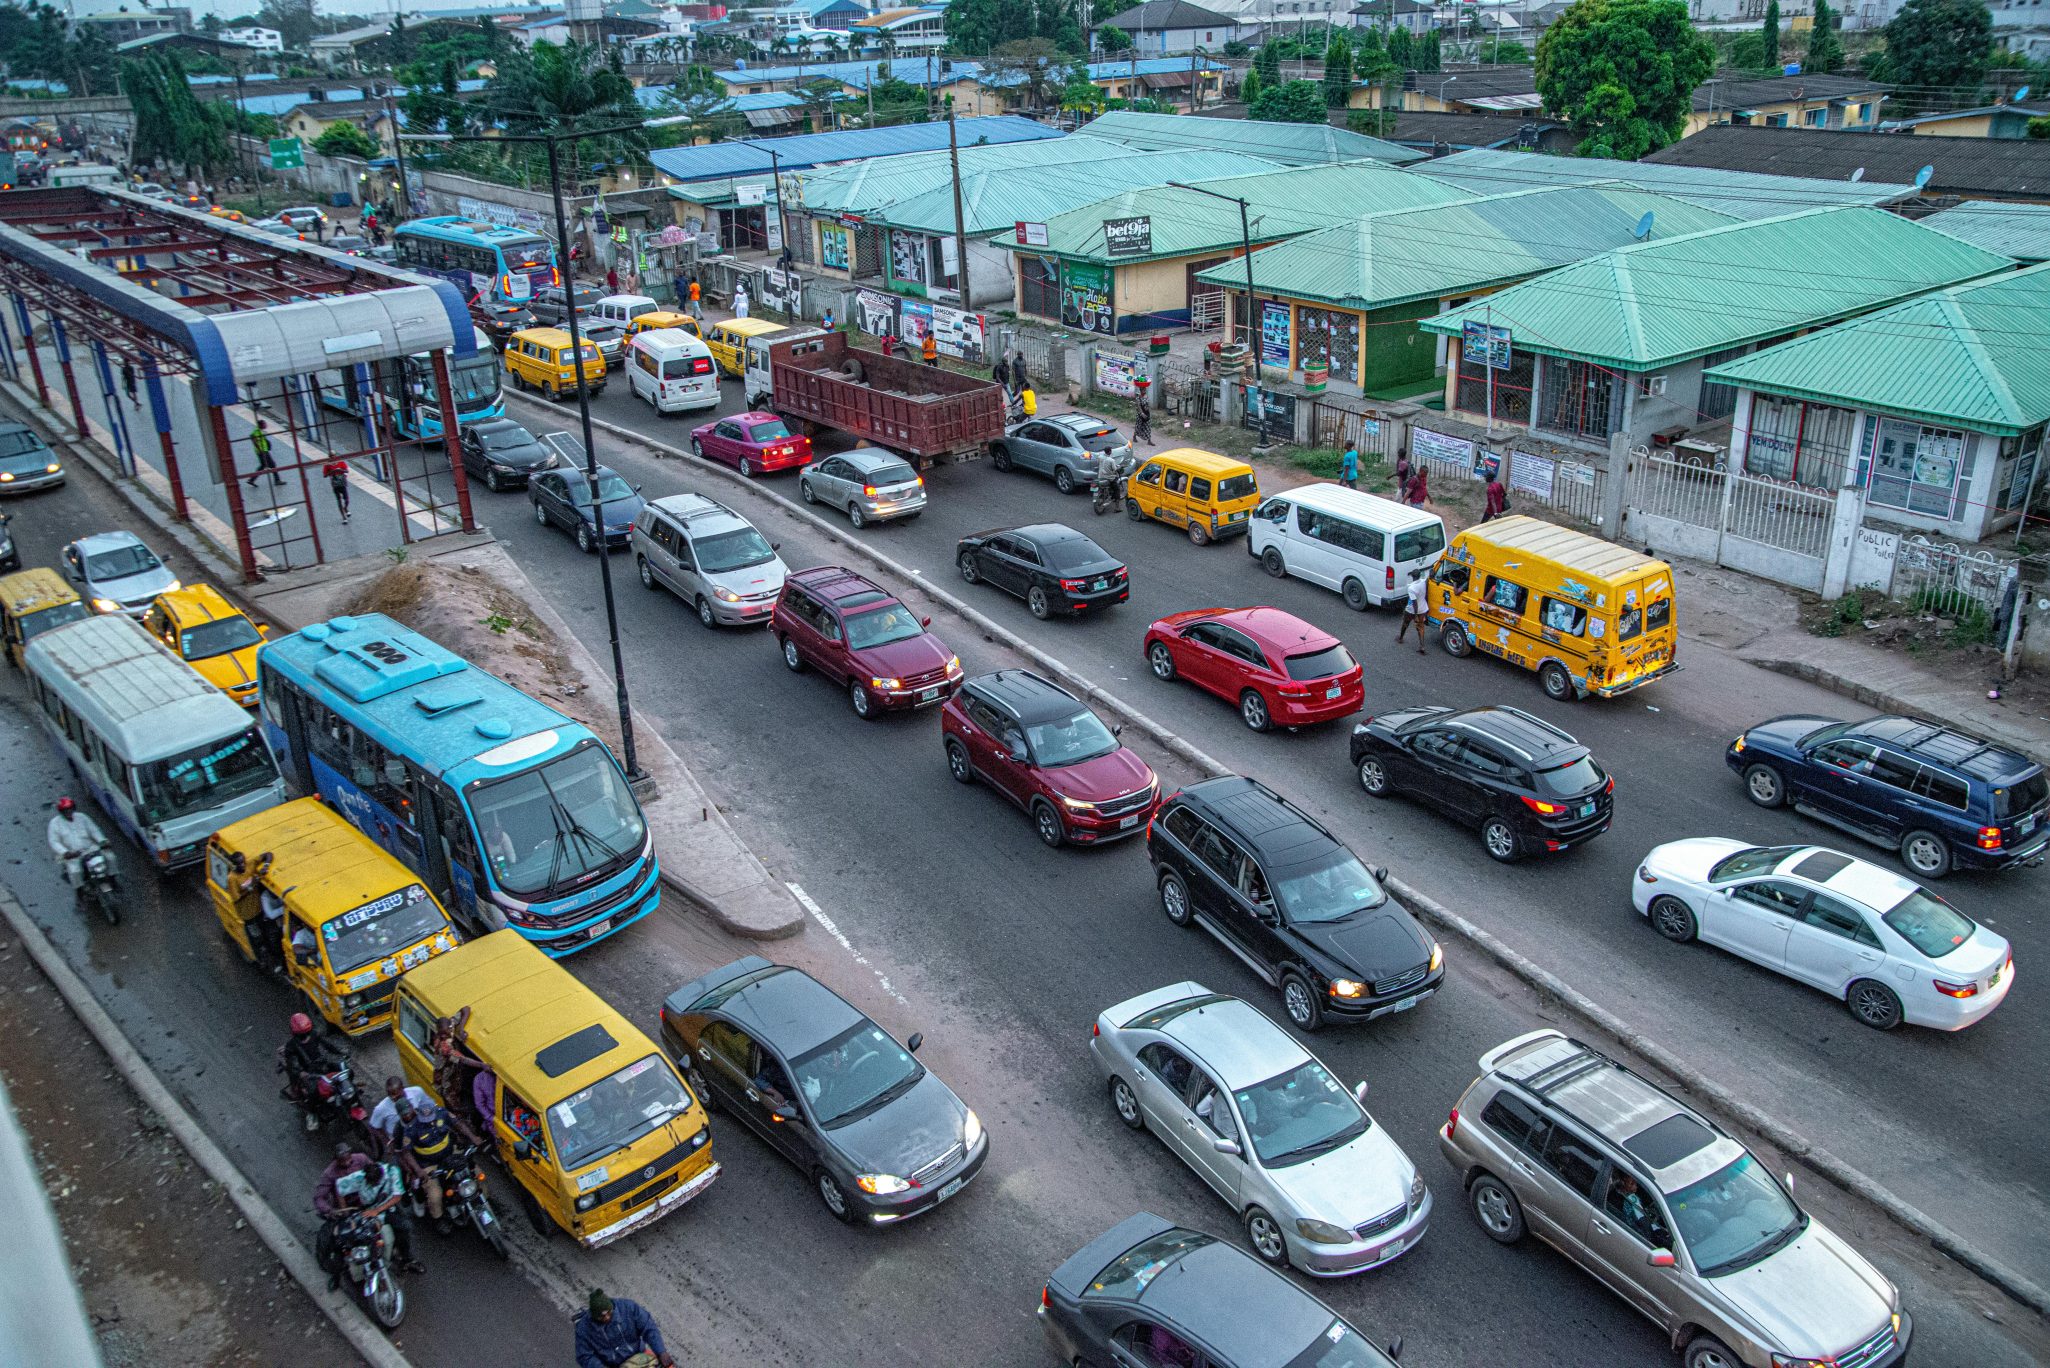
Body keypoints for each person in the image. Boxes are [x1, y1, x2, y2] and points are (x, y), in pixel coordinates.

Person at [325, 1152, 424, 1276]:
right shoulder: (359, 1177)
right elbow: (340, 1188)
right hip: (367, 1212)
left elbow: (397, 1196)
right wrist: (346, 1212)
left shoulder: (392, 1172)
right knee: (358, 1237)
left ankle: (407, 1260)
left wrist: (377, 1210)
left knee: (404, 1228)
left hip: (387, 1209)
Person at [574, 1289, 676, 1368]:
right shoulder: (584, 1329)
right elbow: (585, 1356)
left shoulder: (628, 1307)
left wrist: (661, 1351)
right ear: (593, 1316)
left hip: (639, 1355)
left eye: (609, 1313)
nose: (607, 1318)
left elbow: (648, 1327)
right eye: (601, 1317)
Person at [280, 1013, 339, 1125]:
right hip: (307, 1072)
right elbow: (293, 1063)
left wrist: (340, 1053)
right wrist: (301, 1072)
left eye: (307, 1033)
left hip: (320, 1065)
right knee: (313, 1092)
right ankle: (311, 1113)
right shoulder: (291, 1046)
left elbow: (327, 1045)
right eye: (302, 1035)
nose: (305, 1036)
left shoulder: (314, 1034)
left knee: (342, 1070)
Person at [47, 796, 108, 900]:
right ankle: (80, 890)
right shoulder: (55, 824)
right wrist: (65, 852)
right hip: (73, 854)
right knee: (75, 872)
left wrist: (102, 840)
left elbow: (94, 830)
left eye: (70, 809)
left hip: (90, 849)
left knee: (110, 858)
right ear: (61, 811)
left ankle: (112, 879)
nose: (69, 812)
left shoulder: (82, 817)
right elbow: (54, 842)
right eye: (66, 810)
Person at [370, 1076, 437, 1154]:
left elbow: (430, 1106)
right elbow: (374, 1127)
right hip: (401, 1141)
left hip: (420, 1135)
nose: (395, 1099)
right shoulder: (381, 1108)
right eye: (391, 1097)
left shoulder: (417, 1092)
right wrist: (388, 1143)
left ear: (403, 1088)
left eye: (398, 1096)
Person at [1396, 568, 1431, 654]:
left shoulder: (1411, 588)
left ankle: (1400, 638)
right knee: (1421, 627)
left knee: (1405, 623)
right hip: (1423, 608)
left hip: (1412, 610)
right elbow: (1429, 579)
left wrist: (1415, 615)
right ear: (1419, 575)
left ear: (1412, 576)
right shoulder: (1423, 582)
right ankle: (1422, 646)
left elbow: (1414, 603)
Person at [246, 420, 282, 488]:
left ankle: (251, 480)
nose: (266, 425)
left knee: (263, 466)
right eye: (264, 424)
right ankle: (277, 480)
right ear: (261, 425)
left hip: (263, 451)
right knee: (272, 465)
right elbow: (253, 438)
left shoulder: (260, 431)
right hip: (262, 452)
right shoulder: (257, 432)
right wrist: (260, 450)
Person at [322, 458, 351, 523]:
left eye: (334, 456)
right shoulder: (327, 464)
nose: (333, 457)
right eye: (331, 456)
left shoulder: (341, 462)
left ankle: (345, 508)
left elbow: (347, 471)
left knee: (347, 500)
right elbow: (324, 475)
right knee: (339, 501)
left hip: (342, 483)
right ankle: (344, 518)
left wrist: (341, 470)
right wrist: (332, 472)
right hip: (335, 485)